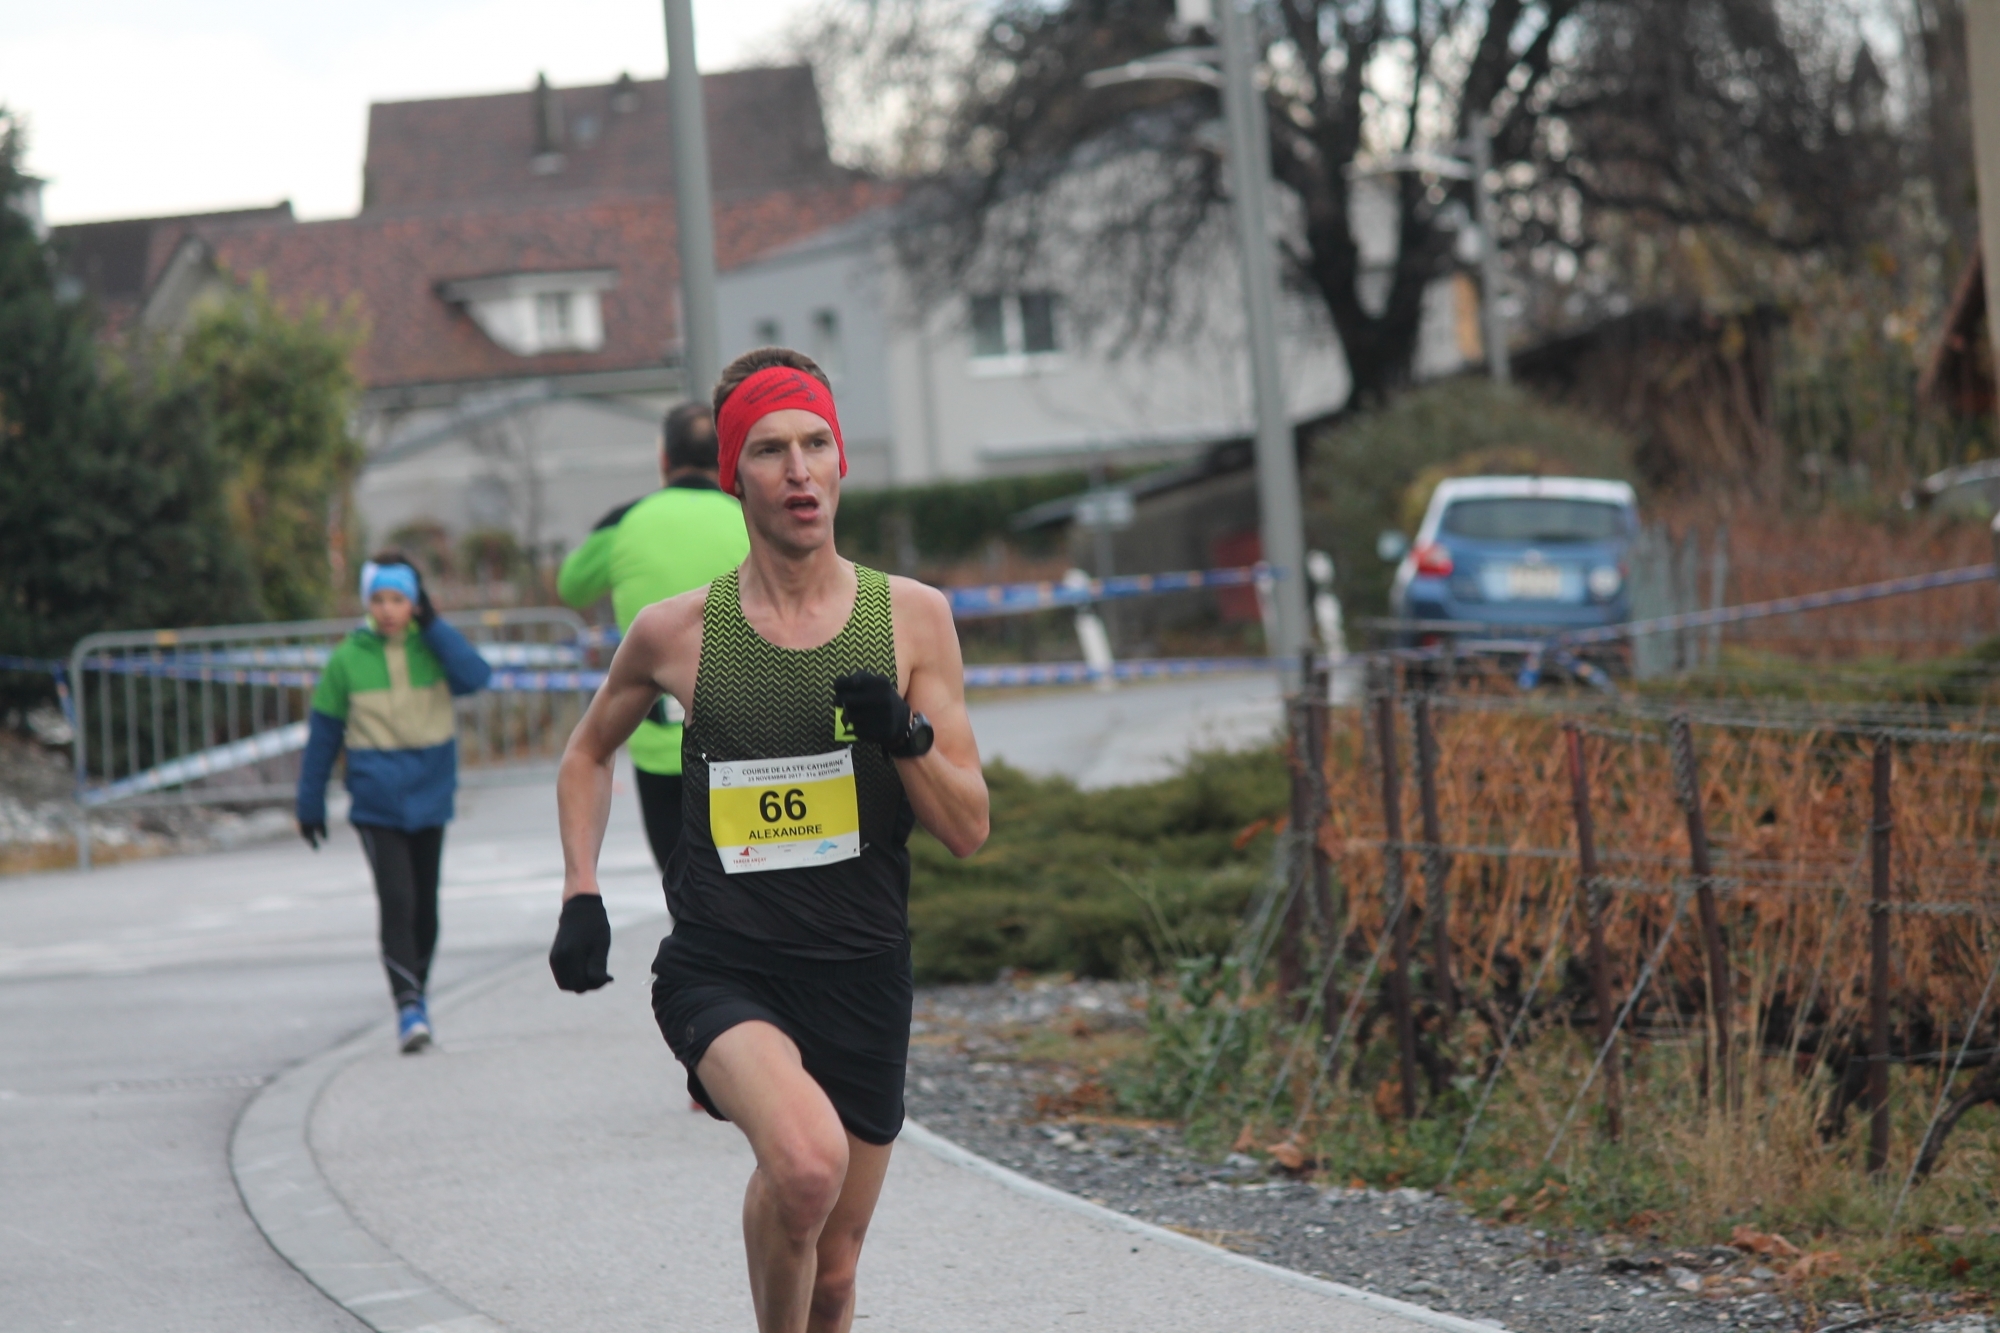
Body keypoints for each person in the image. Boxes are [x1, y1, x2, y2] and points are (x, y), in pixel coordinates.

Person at [548, 347, 989, 1333]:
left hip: (864, 971)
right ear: (732, 478)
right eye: (769, 449)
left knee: (833, 1275)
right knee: (802, 1165)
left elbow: (966, 825)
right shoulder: (678, 634)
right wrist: (581, 890)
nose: (797, 468)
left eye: (815, 444)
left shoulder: (912, 619)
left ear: (840, 467)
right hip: (725, 967)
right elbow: (587, 753)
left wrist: (902, 736)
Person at [297, 553, 494, 1053]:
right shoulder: (348, 658)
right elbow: (323, 735)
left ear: (416, 602)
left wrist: (435, 625)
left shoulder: (435, 647)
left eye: (399, 599)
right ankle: (408, 1006)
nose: (388, 610)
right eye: (378, 600)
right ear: (367, 603)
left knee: (426, 908)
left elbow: (476, 676)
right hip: (376, 799)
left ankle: (416, 995)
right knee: (398, 900)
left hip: (430, 794)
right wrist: (309, 799)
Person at [557, 402, 750, 876]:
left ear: (663, 459)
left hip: (658, 741)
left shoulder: (627, 522)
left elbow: (571, 586)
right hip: (746, 739)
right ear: (726, 458)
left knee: (683, 892)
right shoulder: (752, 516)